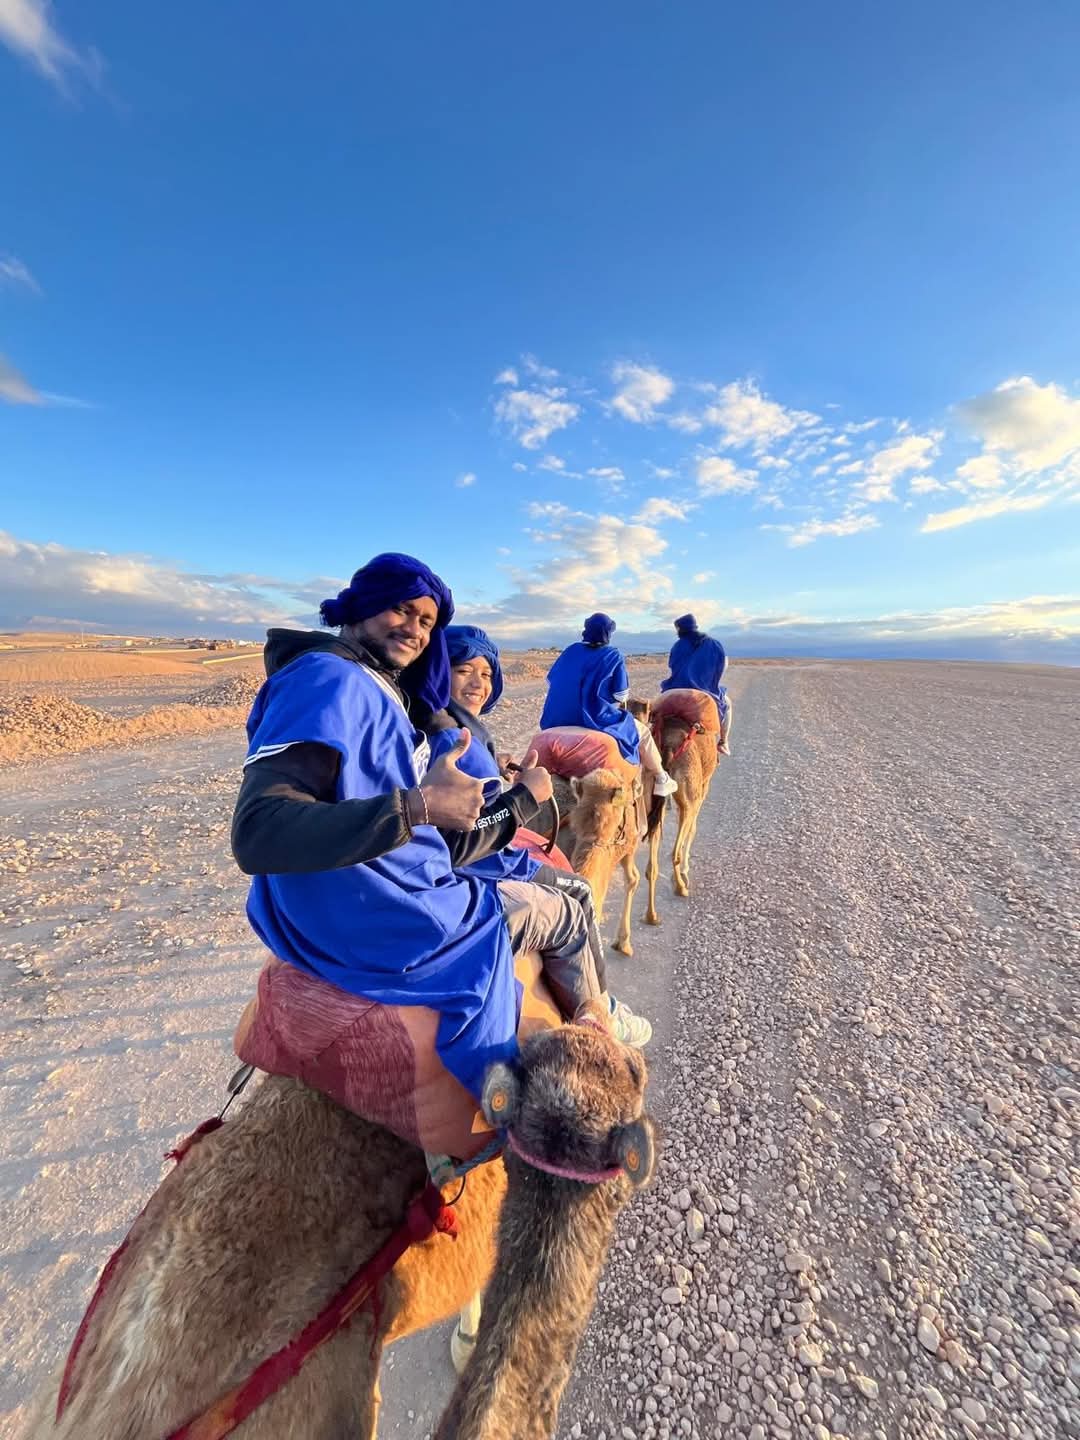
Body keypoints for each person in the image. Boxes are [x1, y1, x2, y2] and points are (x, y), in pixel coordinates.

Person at [230, 553, 620, 1105]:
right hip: (382, 911)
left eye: (427, 622)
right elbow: (258, 831)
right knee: (570, 899)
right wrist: (432, 807)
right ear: (361, 606)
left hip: (373, 888)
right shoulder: (329, 680)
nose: (413, 629)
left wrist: (430, 806)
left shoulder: (377, 688)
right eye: (401, 610)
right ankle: (561, 1059)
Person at [436, 622, 652, 1046]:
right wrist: (523, 797)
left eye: (485, 673)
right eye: (464, 671)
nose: (479, 682)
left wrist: (494, 772)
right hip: (475, 866)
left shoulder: (455, 726)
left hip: (552, 730)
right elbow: (621, 699)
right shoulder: (450, 737)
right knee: (640, 754)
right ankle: (599, 1013)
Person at [540, 612, 677, 794]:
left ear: (586, 630)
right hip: (595, 720)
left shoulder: (570, 650)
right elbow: (621, 695)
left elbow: (550, 681)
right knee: (642, 733)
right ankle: (661, 778)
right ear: (609, 633)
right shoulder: (613, 654)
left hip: (555, 720)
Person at [661, 612, 733, 756]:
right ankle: (723, 742)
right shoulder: (714, 644)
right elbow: (719, 668)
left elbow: (672, 666)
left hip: (675, 691)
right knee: (728, 703)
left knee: (654, 714)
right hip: (705, 693)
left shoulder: (678, 645)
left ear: (680, 629)